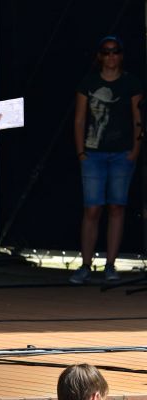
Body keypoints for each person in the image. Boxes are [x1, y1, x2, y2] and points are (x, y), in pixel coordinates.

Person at [70, 35, 143, 284]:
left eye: (115, 52)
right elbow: (79, 119)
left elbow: (138, 118)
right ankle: (86, 264)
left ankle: (110, 264)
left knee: (116, 206)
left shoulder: (131, 84)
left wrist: (135, 149)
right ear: (100, 56)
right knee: (92, 208)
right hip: (93, 154)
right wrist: (81, 152)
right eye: (107, 52)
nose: (111, 56)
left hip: (122, 153)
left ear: (121, 55)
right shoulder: (88, 83)